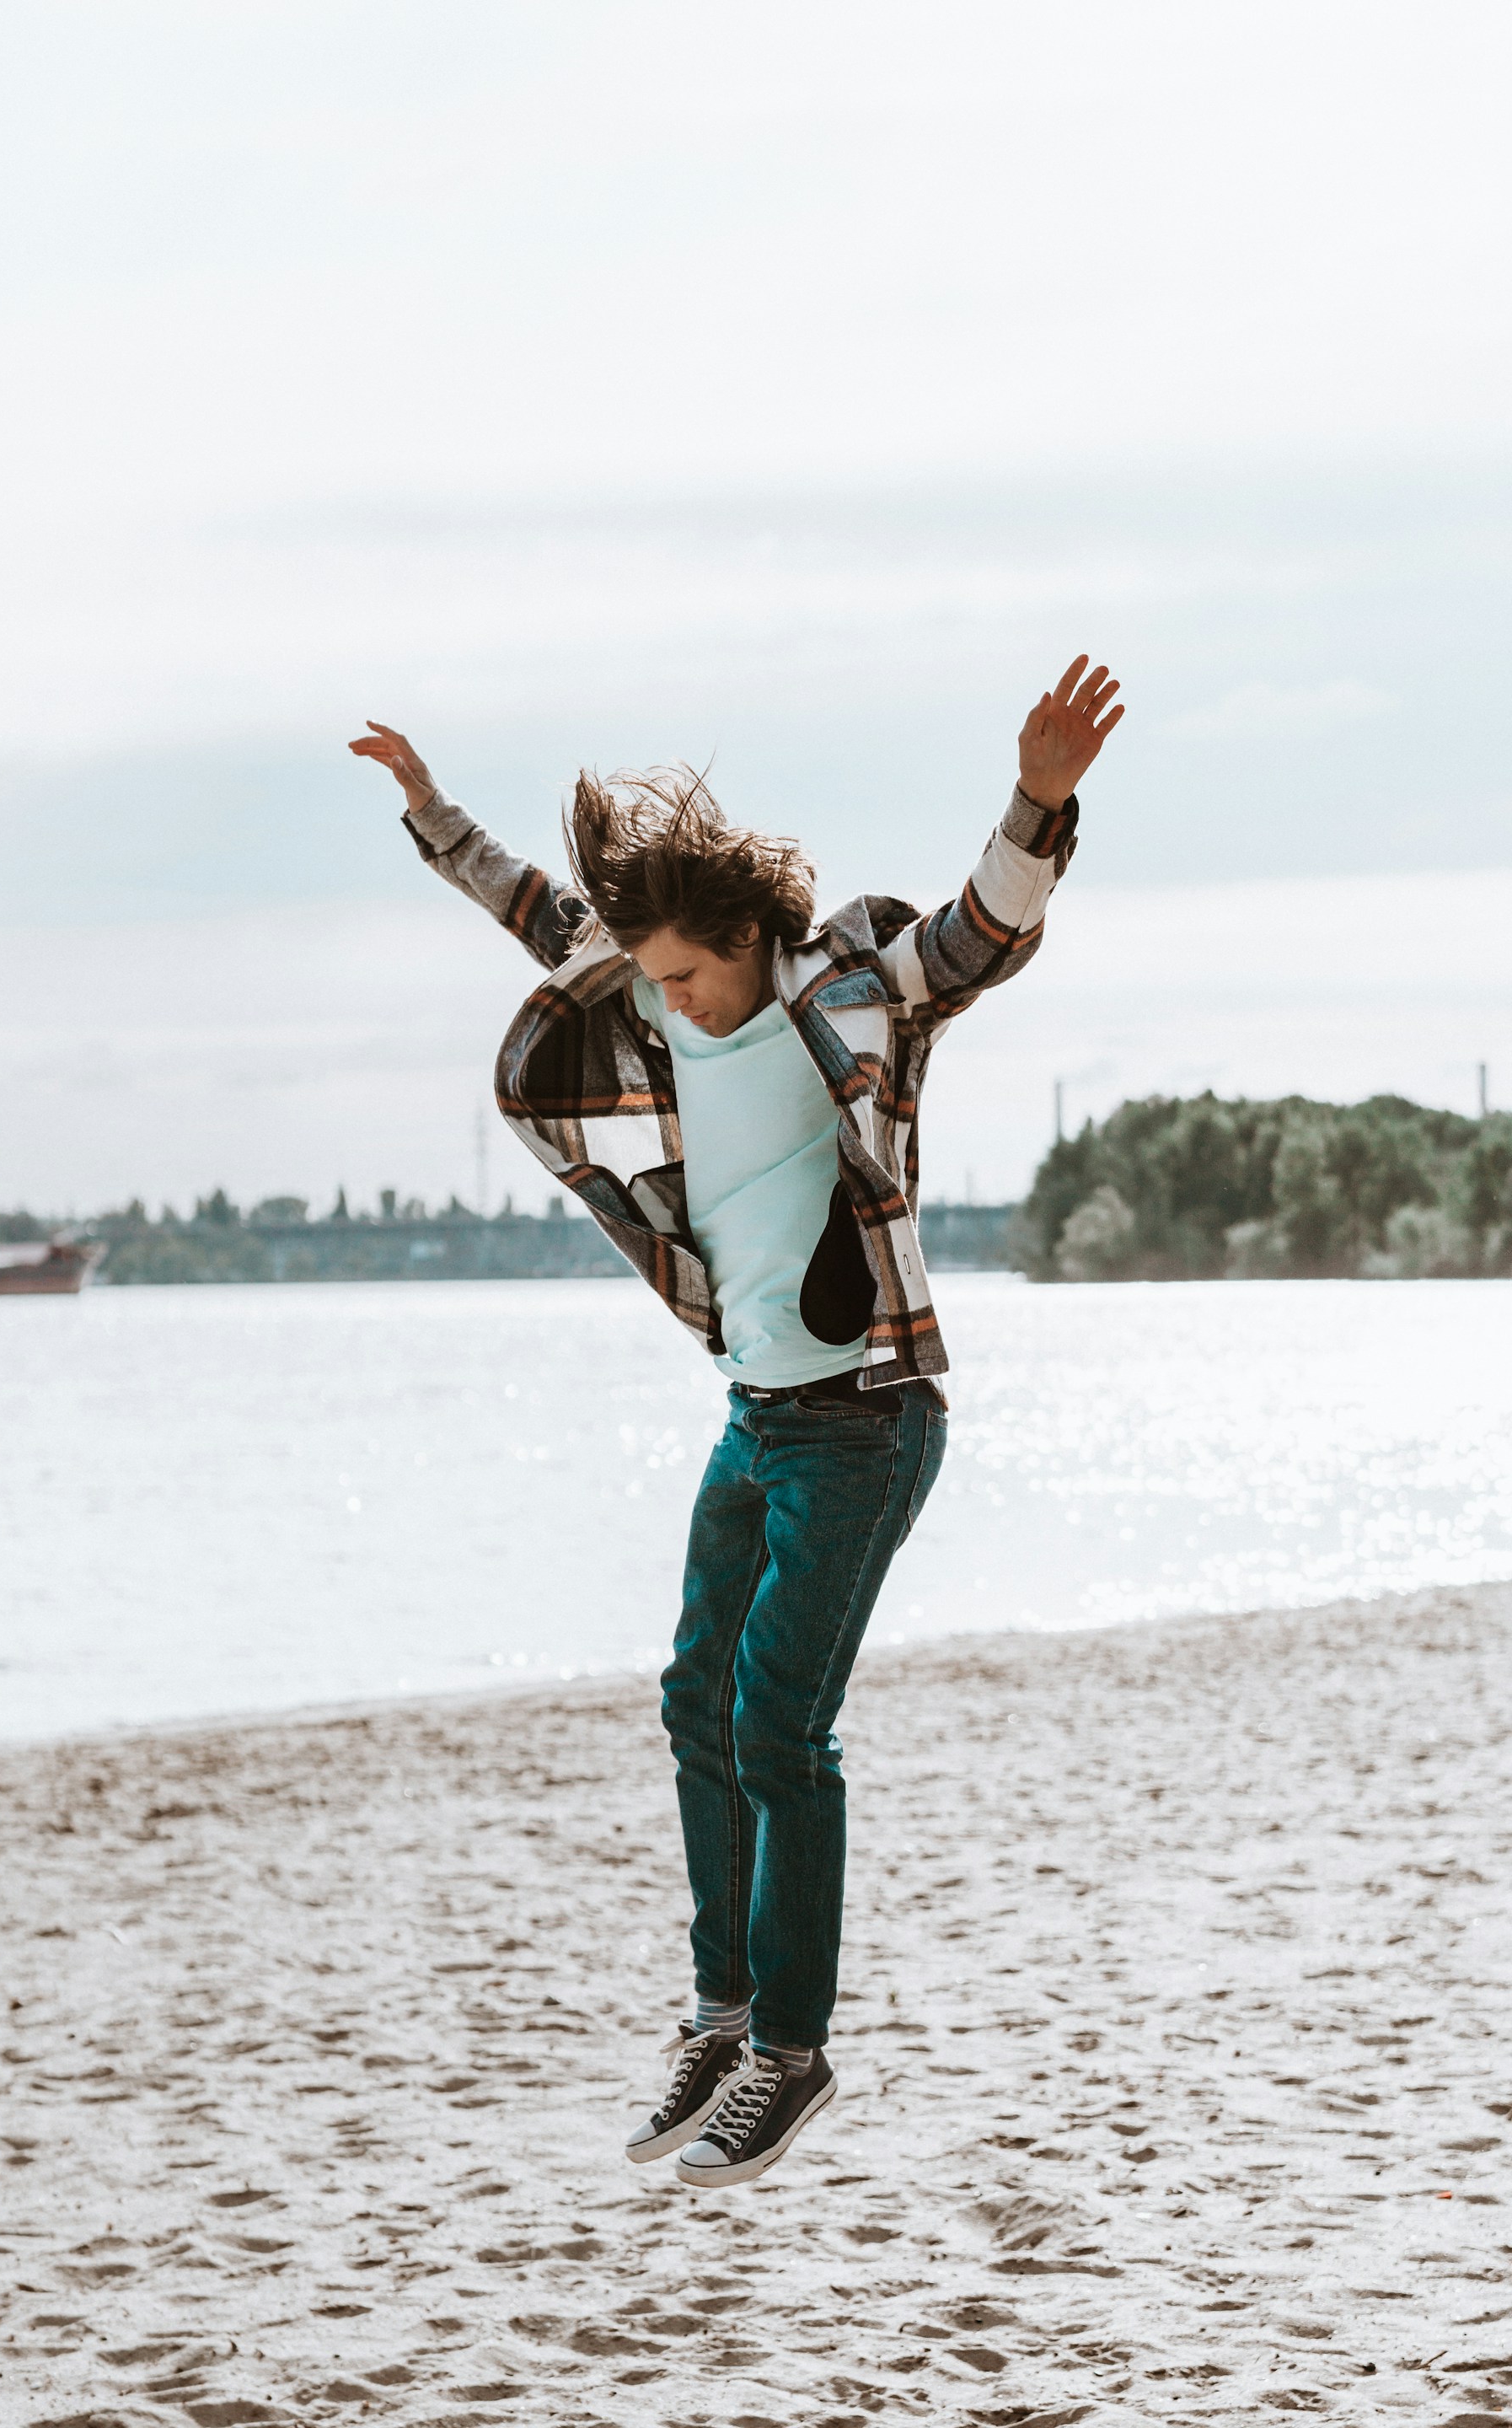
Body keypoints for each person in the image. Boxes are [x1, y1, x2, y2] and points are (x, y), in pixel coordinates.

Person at [349, 656, 1123, 2186]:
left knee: (782, 1722)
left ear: (749, 937)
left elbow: (980, 934)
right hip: (759, 1415)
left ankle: (793, 2051)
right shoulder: (648, 989)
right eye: (655, 982)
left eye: (692, 979)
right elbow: (537, 914)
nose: (671, 1003)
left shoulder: (854, 1000)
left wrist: (1038, 797)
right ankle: (720, 2016)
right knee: (697, 1698)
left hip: (871, 1417)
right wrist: (434, 814)